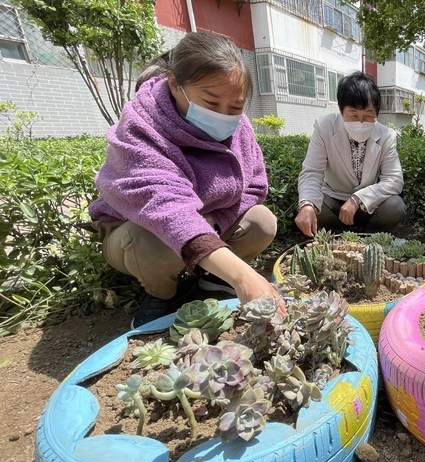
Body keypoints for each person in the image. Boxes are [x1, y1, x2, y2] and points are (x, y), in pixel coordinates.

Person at [89, 32, 285, 328]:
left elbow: (255, 187)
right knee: (155, 242)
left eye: (235, 106)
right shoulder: (141, 126)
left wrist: (215, 222)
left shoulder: (240, 127)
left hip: (210, 221)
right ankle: (163, 294)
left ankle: (211, 277)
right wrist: (245, 277)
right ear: (174, 83)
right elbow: (166, 210)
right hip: (139, 229)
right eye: (211, 101)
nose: (224, 115)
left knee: (261, 221)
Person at [295, 71, 406, 237]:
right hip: (333, 201)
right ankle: (337, 234)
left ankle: (371, 235)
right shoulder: (324, 127)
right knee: (312, 206)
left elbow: (394, 180)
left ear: (377, 113)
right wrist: (307, 205)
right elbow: (312, 172)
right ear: (341, 111)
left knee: (395, 207)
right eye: (353, 115)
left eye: (368, 116)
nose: (361, 122)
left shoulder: (386, 135)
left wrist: (357, 199)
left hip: (368, 206)